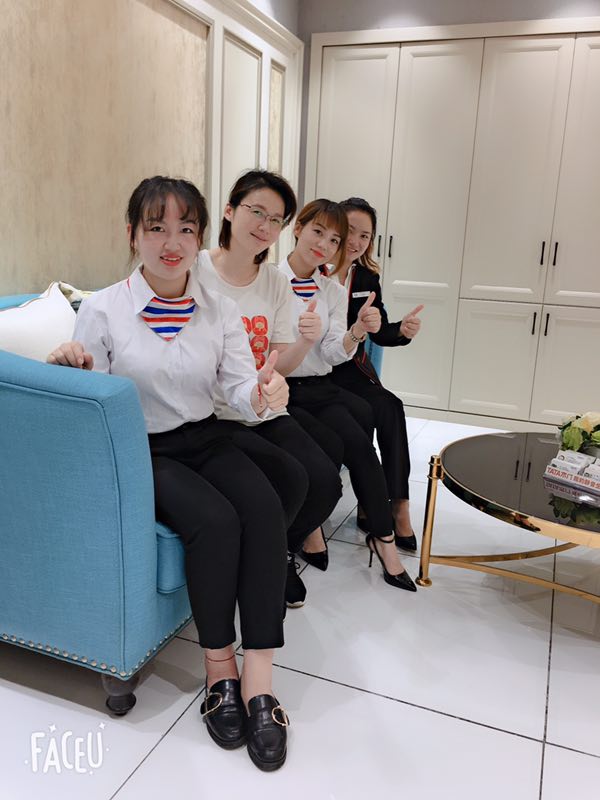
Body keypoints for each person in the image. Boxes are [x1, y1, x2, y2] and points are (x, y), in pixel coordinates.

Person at [47, 176, 295, 772]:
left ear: (201, 236)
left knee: (264, 508)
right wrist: (68, 367)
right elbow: (92, 400)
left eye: (186, 229)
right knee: (215, 521)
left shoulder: (219, 310)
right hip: (142, 450)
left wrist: (265, 392)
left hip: (206, 436)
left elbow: (238, 388)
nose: (172, 242)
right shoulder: (104, 310)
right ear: (132, 234)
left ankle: (260, 680)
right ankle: (219, 670)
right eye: (156, 227)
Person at [194, 170, 343, 601]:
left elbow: (280, 364)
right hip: (216, 414)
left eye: (275, 219)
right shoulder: (195, 269)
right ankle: (271, 561)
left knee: (326, 483)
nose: (265, 226)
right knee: (287, 478)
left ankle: (279, 551)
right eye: (256, 212)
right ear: (229, 210)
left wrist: (305, 342)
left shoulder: (275, 282)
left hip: (264, 409)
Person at [279, 198, 417, 592]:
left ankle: (384, 539)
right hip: (284, 390)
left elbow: (331, 353)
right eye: (318, 232)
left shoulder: (333, 291)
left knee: (362, 447)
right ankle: (299, 538)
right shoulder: (268, 280)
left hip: (322, 385)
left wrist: (356, 333)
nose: (326, 244)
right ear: (298, 228)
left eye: (335, 240)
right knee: (334, 454)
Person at [330, 197, 423, 551]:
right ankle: (369, 503)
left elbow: (379, 329)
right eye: (350, 231)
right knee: (361, 412)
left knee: (390, 406)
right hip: (317, 371)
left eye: (364, 236)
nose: (355, 241)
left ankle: (399, 505)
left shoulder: (367, 277)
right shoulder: (315, 271)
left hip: (351, 370)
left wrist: (402, 330)